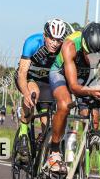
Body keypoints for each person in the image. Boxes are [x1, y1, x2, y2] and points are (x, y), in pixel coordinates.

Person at [46, 22, 100, 172]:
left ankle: (78, 170)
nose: (94, 59)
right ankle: (54, 151)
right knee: (65, 104)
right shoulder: (70, 46)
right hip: (61, 72)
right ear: (84, 47)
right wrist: (92, 91)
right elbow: (73, 86)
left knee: (94, 119)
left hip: (85, 75)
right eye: (89, 55)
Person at [14, 18, 70, 163]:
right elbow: (22, 73)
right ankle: (24, 135)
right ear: (45, 35)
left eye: (58, 40)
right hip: (29, 77)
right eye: (51, 38)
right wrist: (26, 94)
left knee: (48, 124)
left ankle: (43, 146)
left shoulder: (63, 49)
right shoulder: (33, 42)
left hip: (46, 81)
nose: (54, 43)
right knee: (33, 94)